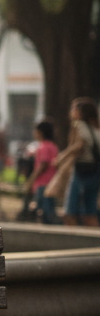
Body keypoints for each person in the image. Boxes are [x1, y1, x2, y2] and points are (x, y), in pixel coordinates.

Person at [56, 97, 100, 227]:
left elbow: (79, 145)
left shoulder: (78, 125)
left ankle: (71, 237)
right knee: (90, 213)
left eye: (73, 108)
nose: (70, 112)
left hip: (81, 170)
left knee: (69, 212)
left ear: (80, 112)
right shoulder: (95, 128)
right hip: (95, 170)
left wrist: (62, 156)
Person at [27, 119, 59, 224]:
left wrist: (31, 179)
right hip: (51, 183)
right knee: (49, 209)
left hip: (43, 183)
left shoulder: (43, 146)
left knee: (43, 211)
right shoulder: (53, 146)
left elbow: (43, 164)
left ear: (40, 132)